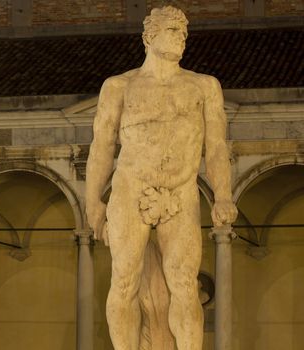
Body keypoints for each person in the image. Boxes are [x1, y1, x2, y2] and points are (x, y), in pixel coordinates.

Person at [84, 6, 238, 350]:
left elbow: (215, 148)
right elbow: (102, 147)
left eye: (183, 33)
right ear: (149, 37)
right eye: (172, 30)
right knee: (124, 280)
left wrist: (223, 194)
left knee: (184, 283)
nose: (180, 38)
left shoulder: (203, 86)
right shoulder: (119, 86)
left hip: (180, 190)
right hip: (130, 189)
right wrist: (93, 202)